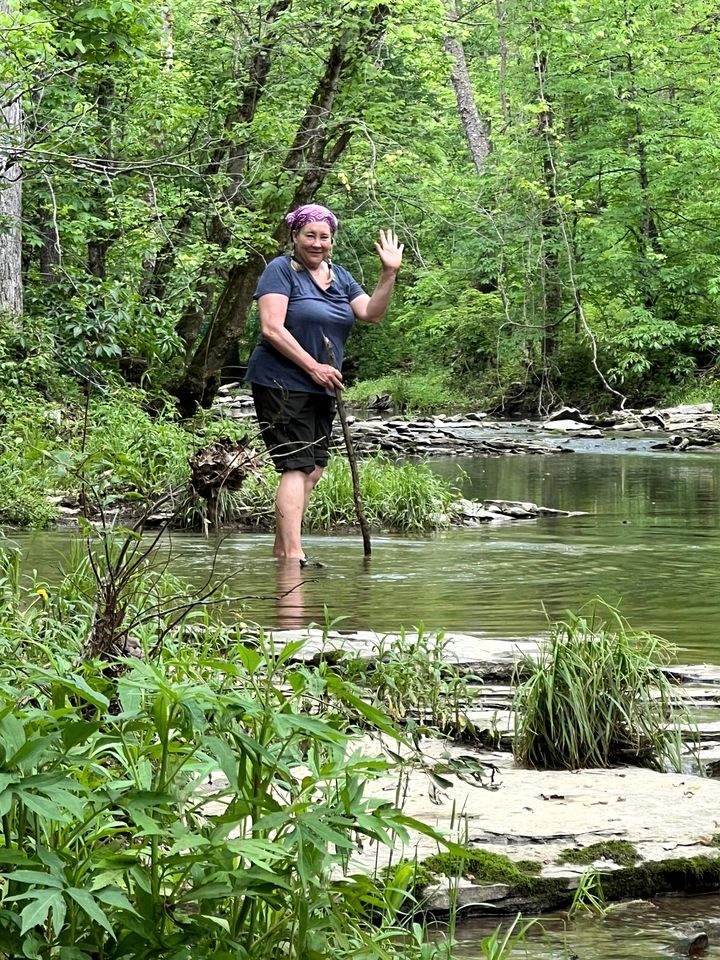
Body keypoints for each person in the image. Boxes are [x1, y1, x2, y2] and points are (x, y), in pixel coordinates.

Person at [246, 203, 403, 563]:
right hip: (281, 381)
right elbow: (271, 329)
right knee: (295, 465)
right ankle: (293, 556)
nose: (317, 243)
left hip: (321, 385)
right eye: (310, 236)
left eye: (324, 237)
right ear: (295, 236)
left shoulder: (341, 277)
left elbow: (371, 313)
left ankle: (282, 550)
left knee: (313, 469)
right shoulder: (280, 270)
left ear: (332, 241)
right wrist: (313, 366)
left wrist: (389, 273)